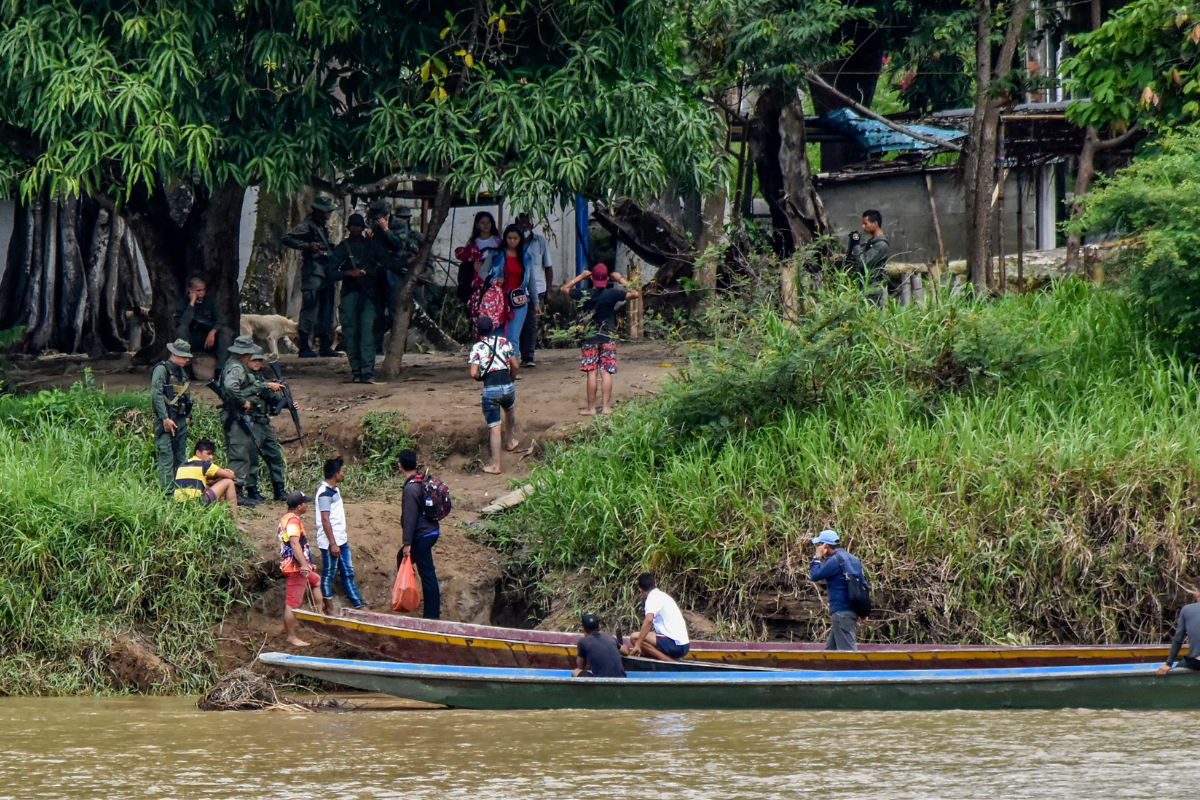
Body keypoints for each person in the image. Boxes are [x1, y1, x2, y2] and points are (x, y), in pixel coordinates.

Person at [560, 263, 640, 416]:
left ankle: (591, 408)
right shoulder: (612, 294)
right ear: (607, 279)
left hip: (590, 338)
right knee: (605, 373)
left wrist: (581, 277)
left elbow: (564, 289)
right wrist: (621, 278)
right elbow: (635, 293)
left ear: (592, 278)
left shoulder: (584, 293)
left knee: (591, 373)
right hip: (607, 337)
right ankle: (606, 408)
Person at [220, 337, 286, 506]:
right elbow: (230, 386)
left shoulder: (240, 366)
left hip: (241, 417)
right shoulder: (236, 367)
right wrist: (243, 402)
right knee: (239, 454)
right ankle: (236, 493)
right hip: (236, 416)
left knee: (243, 454)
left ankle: (240, 492)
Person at [282, 195, 340, 358]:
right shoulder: (307, 226)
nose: (329, 213)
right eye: (326, 210)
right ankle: (305, 345)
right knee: (310, 307)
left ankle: (324, 346)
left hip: (326, 270)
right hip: (313, 271)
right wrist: (307, 245)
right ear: (318, 210)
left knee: (327, 309)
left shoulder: (322, 227)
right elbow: (287, 238)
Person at [330, 213, 385, 383]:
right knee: (351, 333)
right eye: (352, 226)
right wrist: (348, 273)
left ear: (362, 228)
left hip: (368, 295)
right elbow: (330, 272)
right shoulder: (343, 247)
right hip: (350, 293)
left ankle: (367, 371)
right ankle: (356, 371)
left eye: (358, 226)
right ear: (349, 228)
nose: (355, 228)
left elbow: (383, 266)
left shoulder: (371, 246)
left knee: (367, 333)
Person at [367, 201, 423, 351]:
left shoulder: (398, 225)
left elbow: (399, 244)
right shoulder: (375, 228)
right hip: (379, 272)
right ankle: (378, 346)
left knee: (395, 310)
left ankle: (398, 347)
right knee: (378, 311)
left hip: (395, 271)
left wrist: (386, 230)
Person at [468, 316, 519, 475]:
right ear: (493, 328)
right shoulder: (504, 342)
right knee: (509, 409)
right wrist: (510, 379)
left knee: (495, 426)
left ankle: (496, 465)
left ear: (478, 330)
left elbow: (473, 373)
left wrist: (480, 377)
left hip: (491, 389)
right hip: (508, 386)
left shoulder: (477, 348)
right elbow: (515, 365)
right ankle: (511, 441)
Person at [315, 457, 366, 614]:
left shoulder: (333, 490)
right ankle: (329, 607)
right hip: (332, 541)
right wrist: (333, 543)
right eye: (341, 471)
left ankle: (358, 603)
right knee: (329, 573)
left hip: (340, 539)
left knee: (348, 571)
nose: (343, 474)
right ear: (336, 474)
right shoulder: (324, 494)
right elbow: (325, 519)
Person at [398, 449, 441, 619]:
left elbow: (409, 519)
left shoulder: (410, 489)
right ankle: (409, 592)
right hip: (432, 530)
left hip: (422, 536)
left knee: (428, 575)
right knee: (401, 557)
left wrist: (407, 543)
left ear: (400, 465)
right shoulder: (422, 480)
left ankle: (431, 616)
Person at [809, 529, 867, 651]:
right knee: (832, 650)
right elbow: (863, 584)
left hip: (842, 612)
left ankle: (856, 670)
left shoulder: (834, 560)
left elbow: (815, 575)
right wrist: (863, 611)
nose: (818, 547)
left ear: (826, 546)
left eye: (819, 544)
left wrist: (817, 557)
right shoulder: (853, 559)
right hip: (851, 610)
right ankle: (828, 669)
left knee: (848, 653)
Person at [151, 339, 194, 493]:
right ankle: (167, 493)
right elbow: (156, 395)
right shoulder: (162, 370)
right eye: (183, 356)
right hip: (167, 420)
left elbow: (187, 396)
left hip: (181, 419)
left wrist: (189, 415)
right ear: (174, 354)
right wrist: (164, 418)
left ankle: (179, 490)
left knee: (180, 456)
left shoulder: (181, 371)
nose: (187, 359)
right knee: (167, 456)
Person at [279, 491, 319, 647]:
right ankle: (291, 636)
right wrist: (303, 564)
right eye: (305, 503)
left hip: (296, 565)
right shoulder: (294, 521)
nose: (307, 505)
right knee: (293, 603)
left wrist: (308, 563)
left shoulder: (286, 518)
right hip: (295, 568)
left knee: (316, 581)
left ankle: (320, 615)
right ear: (299, 506)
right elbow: (295, 544)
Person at [488, 224, 538, 348]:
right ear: (505, 238)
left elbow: (531, 281)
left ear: (520, 239)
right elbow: (483, 272)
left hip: (518, 299)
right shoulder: (496, 254)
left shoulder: (526, 257)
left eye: (515, 238)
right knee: (497, 334)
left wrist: (536, 303)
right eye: (509, 238)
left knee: (513, 336)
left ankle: (512, 365)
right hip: (499, 299)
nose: (512, 241)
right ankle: (498, 364)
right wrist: (492, 281)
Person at [515, 213, 553, 368]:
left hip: (537, 288)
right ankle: (515, 355)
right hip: (517, 289)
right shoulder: (513, 243)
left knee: (531, 324)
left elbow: (548, 267)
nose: (524, 227)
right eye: (520, 224)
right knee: (518, 322)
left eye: (526, 224)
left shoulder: (540, 242)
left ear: (531, 225)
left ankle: (528, 356)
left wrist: (549, 291)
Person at [173, 437, 239, 521]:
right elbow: (230, 476)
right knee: (228, 482)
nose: (211, 457)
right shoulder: (204, 464)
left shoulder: (183, 464)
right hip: (196, 504)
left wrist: (215, 480)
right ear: (198, 452)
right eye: (208, 454)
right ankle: (235, 521)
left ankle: (222, 516)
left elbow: (206, 481)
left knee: (208, 485)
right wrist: (227, 473)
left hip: (180, 506)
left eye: (212, 454)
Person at [629, 572, 690, 662]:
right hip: (684, 644)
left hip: (676, 645)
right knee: (643, 637)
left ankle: (670, 662)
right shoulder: (663, 596)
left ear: (640, 590)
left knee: (634, 637)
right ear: (656, 585)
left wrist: (637, 644)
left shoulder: (651, 598)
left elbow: (649, 620)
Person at [172, 277, 233, 367]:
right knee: (180, 330)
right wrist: (192, 303)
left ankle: (221, 369)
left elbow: (221, 320)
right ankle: (185, 367)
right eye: (198, 290)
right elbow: (183, 323)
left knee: (226, 332)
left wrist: (213, 331)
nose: (202, 293)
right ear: (190, 290)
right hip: (191, 339)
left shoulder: (211, 301)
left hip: (209, 339)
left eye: (203, 290)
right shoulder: (183, 302)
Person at [457, 211, 501, 303]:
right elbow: (467, 260)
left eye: (488, 222)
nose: (486, 225)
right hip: (478, 281)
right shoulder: (473, 242)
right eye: (482, 222)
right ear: (477, 225)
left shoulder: (498, 241)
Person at [848, 209, 890, 302]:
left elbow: (863, 262)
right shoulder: (872, 243)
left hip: (872, 290)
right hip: (865, 287)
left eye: (866, 223)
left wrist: (856, 245)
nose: (863, 226)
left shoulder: (881, 245)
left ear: (875, 223)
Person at [1158, 586, 1200, 675]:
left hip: (1197, 662)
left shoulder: (1187, 610)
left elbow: (1178, 639)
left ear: (1198, 594)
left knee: (1181, 664)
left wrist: (1168, 663)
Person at [573, 613, 628, 678]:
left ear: (583, 629)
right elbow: (626, 652)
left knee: (576, 671)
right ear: (599, 627)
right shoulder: (611, 638)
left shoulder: (583, 642)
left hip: (601, 683)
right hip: (622, 680)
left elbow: (580, 666)